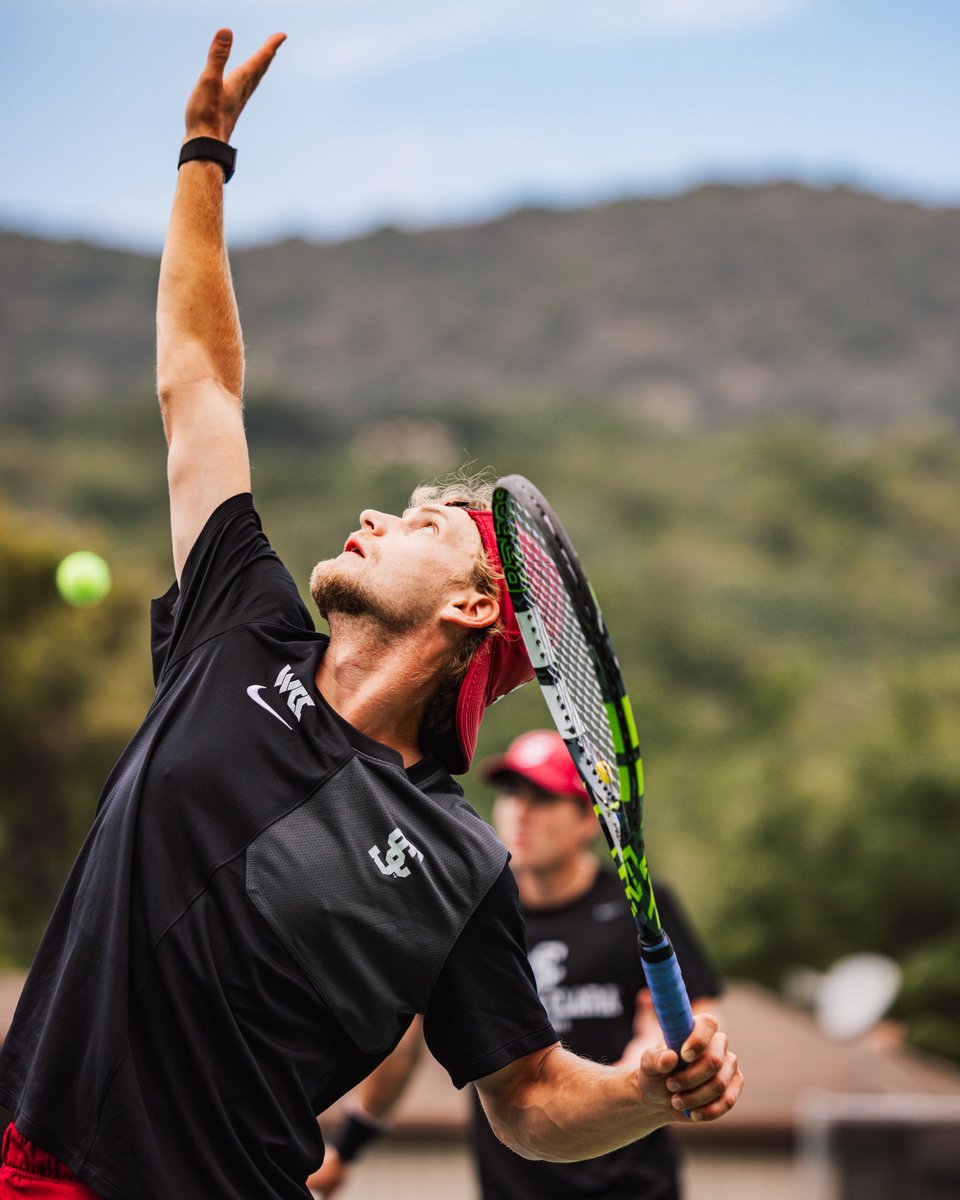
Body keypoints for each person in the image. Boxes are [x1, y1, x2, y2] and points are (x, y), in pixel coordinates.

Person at [0, 30, 742, 1200]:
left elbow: (532, 1101)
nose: (372, 516)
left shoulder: (461, 862)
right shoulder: (238, 625)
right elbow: (200, 381)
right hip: (34, 1162)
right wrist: (204, 156)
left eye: (422, 520)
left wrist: (645, 1091)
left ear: (472, 606)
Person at [308, 730, 722, 1199]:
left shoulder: (637, 905)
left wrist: (648, 1068)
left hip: (634, 1185)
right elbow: (405, 1044)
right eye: (511, 793)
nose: (520, 811)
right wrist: (347, 1149)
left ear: (589, 818)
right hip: (514, 1185)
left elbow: (693, 1016)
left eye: (543, 798)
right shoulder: (470, 914)